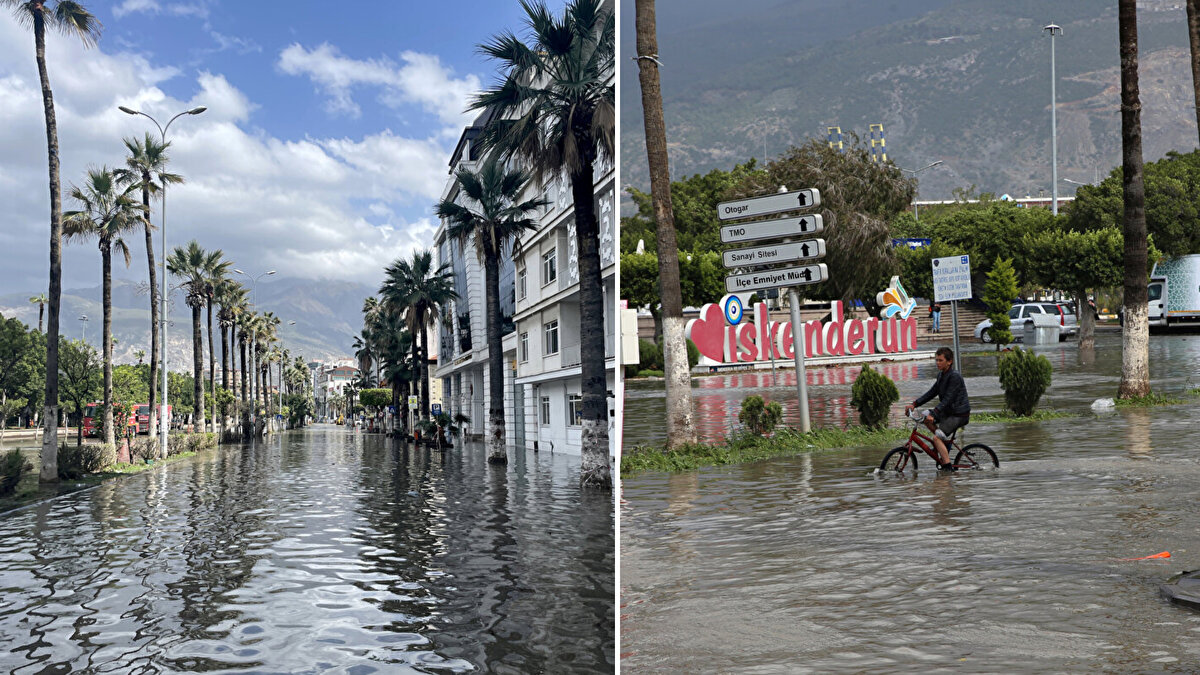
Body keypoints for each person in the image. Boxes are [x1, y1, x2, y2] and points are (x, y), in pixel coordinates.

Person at [905, 347, 969, 471]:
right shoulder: (941, 375)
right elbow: (932, 392)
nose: (937, 363)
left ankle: (947, 466)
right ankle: (943, 446)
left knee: (937, 437)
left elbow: (948, 399)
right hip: (948, 412)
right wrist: (914, 404)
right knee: (925, 416)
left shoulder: (954, 377)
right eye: (936, 360)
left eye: (940, 360)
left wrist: (934, 413)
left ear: (949, 361)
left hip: (959, 414)